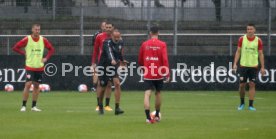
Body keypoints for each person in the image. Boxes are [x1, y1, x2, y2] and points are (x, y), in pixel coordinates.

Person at [13, 23, 55, 112]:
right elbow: (15, 47)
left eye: (39, 29)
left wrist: (46, 58)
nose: (37, 31)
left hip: (39, 67)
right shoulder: (27, 39)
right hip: (30, 66)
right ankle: (23, 105)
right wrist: (24, 54)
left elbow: (51, 49)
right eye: (36, 29)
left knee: (36, 86)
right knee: (28, 84)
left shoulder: (43, 40)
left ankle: (33, 106)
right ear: (32, 30)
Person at [138, 26, 170, 123]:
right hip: (159, 72)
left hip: (148, 71)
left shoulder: (144, 44)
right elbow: (164, 59)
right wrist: (167, 73)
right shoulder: (162, 44)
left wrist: (144, 67)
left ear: (150, 33)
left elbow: (140, 59)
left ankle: (148, 118)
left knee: (147, 93)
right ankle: (156, 116)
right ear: (158, 33)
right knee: (158, 93)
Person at [233, 23, 265, 111]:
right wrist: (235, 63)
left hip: (254, 66)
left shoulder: (258, 40)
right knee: (242, 85)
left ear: (254, 30)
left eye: (251, 29)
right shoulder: (241, 39)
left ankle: (251, 105)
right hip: (243, 65)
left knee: (252, 84)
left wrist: (262, 67)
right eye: (248, 29)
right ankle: (242, 103)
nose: (249, 31)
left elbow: (261, 54)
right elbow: (238, 52)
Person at [97, 29, 125, 115]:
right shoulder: (107, 42)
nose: (117, 39)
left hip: (113, 66)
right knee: (103, 87)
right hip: (104, 66)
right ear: (112, 36)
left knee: (117, 83)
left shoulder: (120, 42)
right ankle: (100, 105)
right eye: (115, 37)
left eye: (118, 37)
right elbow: (109, 52)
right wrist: (112, 59)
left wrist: (122, 61)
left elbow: (119, 53)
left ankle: (117, 108)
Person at [91, 22, 114, 112]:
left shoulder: (114, 36)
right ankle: (99, 104)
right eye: (106, 27)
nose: (107, 28)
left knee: (109, 84)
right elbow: (95, 50)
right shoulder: (99, 36)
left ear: (112, 28)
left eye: (109, 27)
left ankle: (107, 105)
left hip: (112, 64)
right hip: (102, 63)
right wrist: (93, 62)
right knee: (101, 83)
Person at [91, 21, 106, 92]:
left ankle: (105, 85)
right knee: (95, 71)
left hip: (107, 57)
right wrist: (94, 60)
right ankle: (94, 86)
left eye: (105, 26)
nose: (104, 28)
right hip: (99, 56)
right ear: (101, 27)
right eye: (103, 26)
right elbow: (95, 47)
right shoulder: (97, 35)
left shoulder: (110, 35)